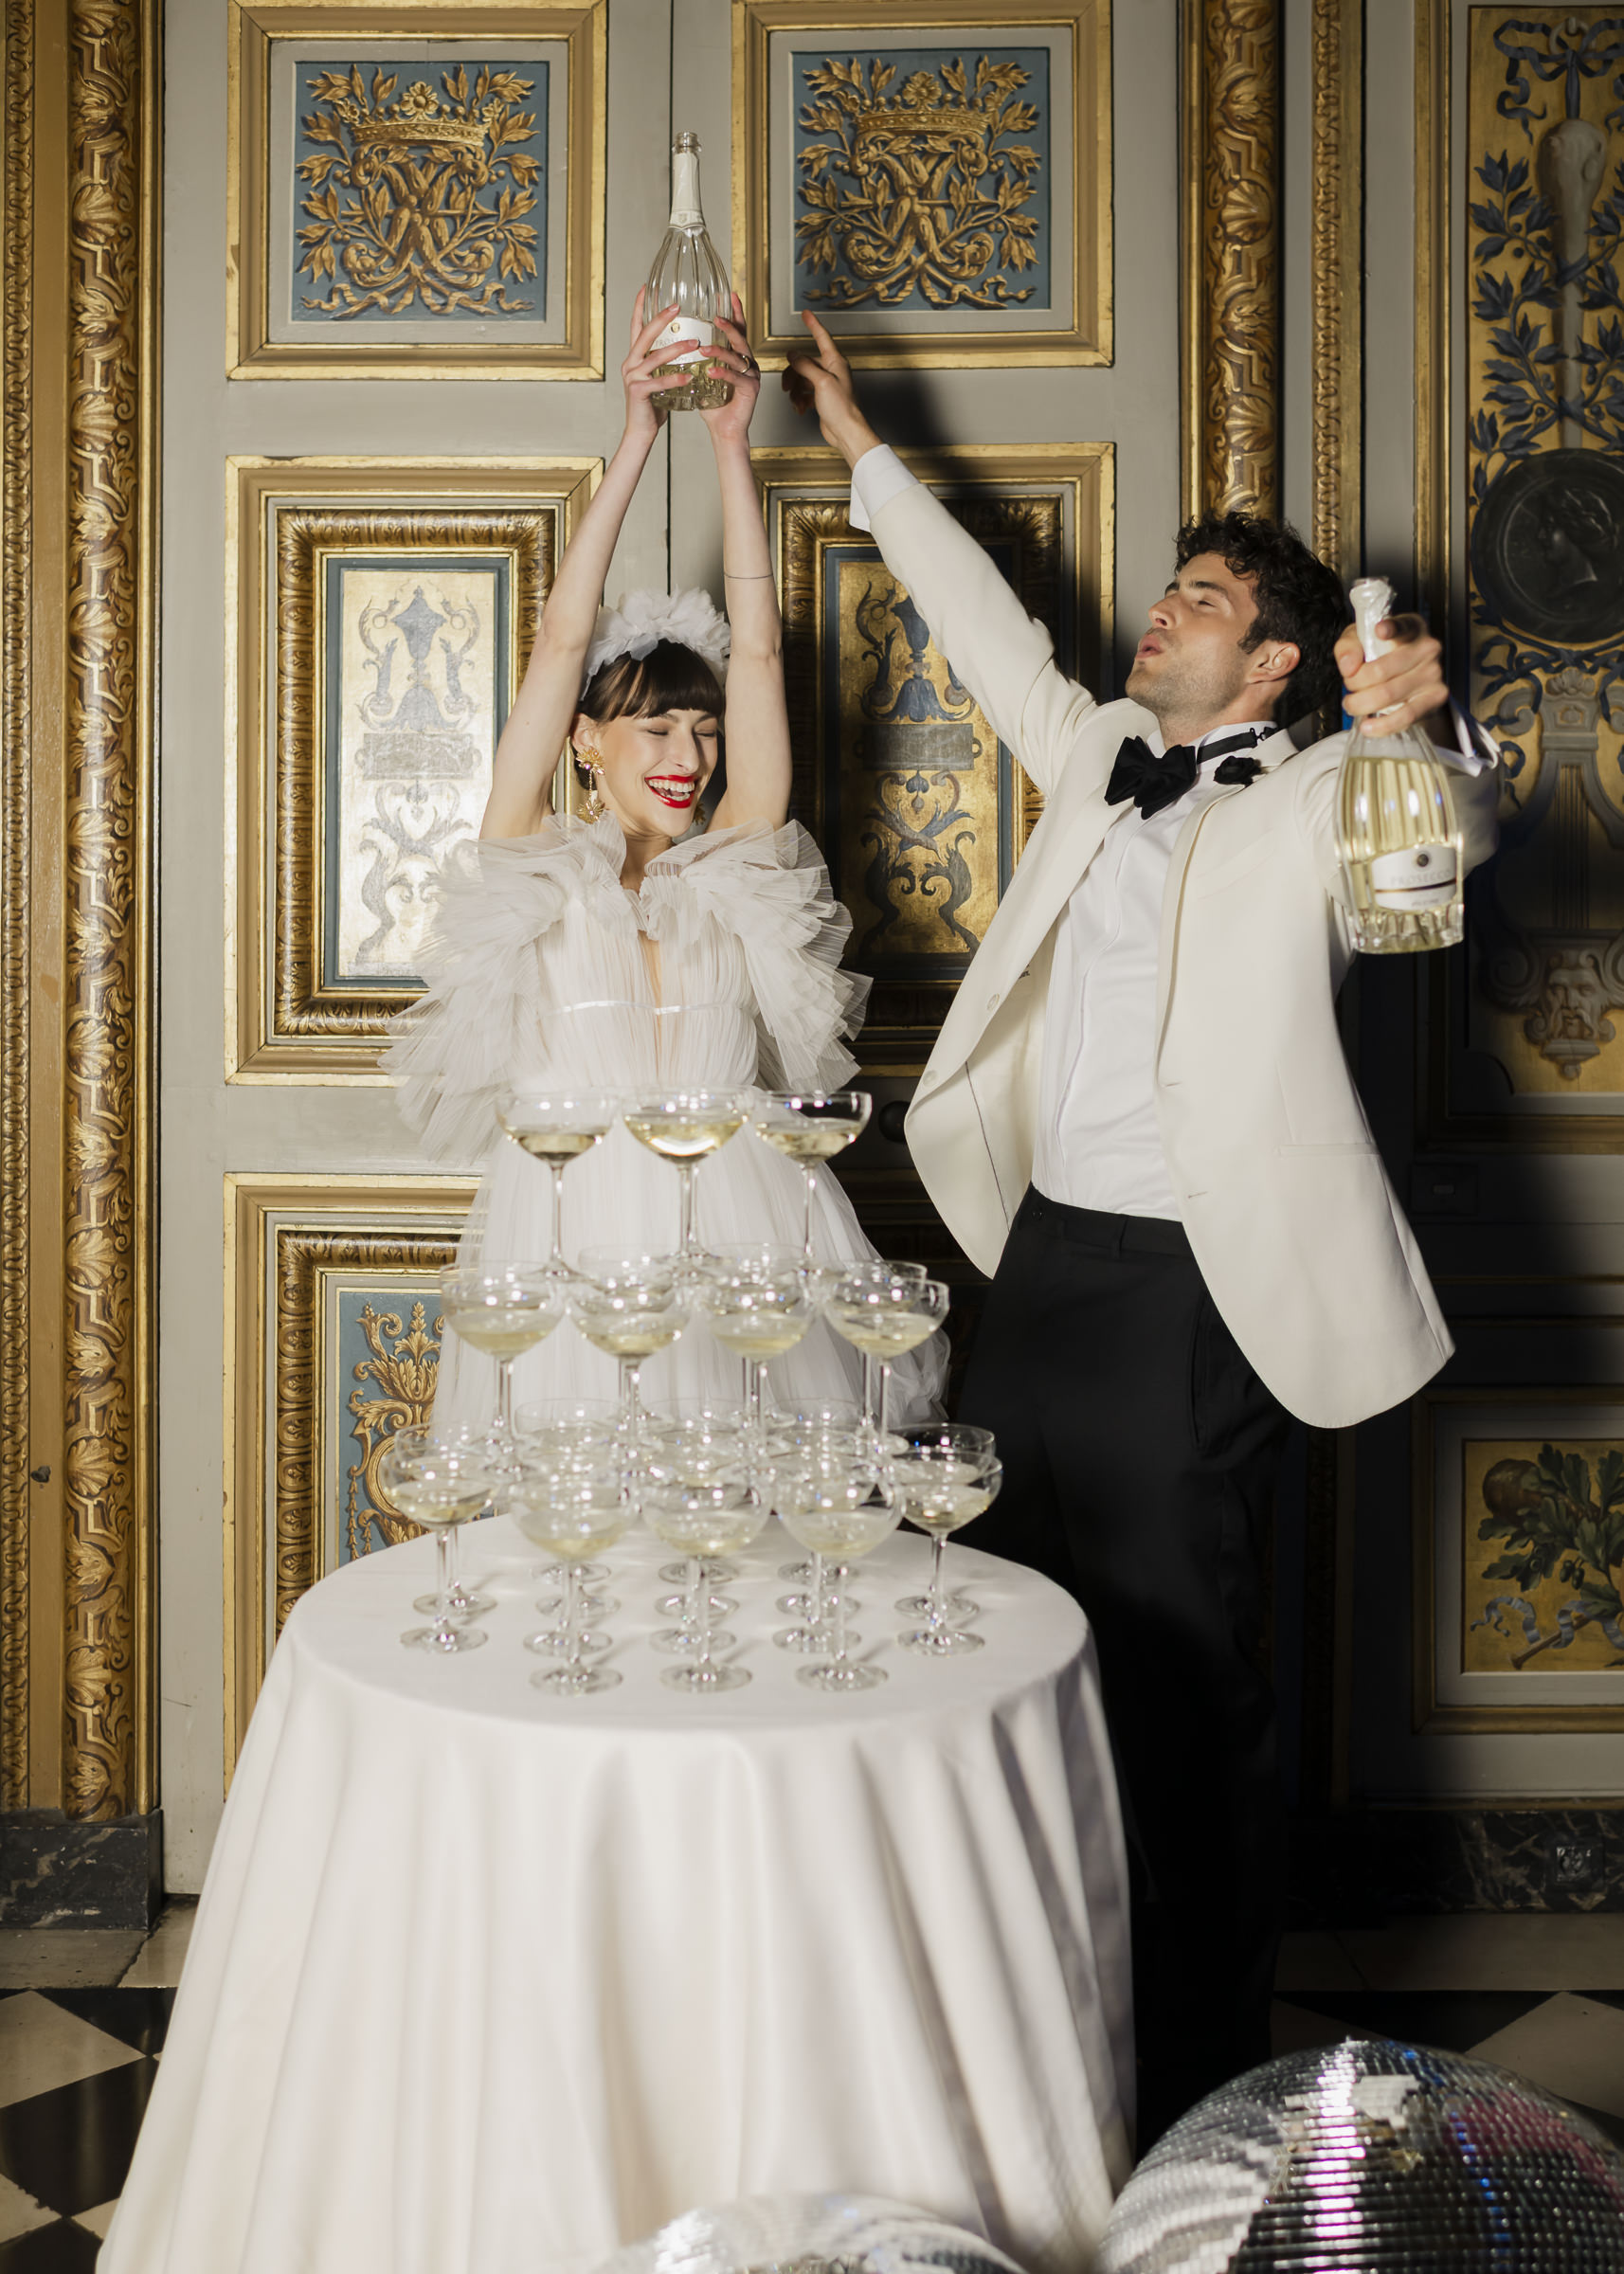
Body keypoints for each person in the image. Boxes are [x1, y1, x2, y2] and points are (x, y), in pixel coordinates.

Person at [783, 311, 1500, 2148]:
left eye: (1194, 600)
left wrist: (1425, 731)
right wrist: (860, 445)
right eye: (1169, 590)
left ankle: (1197, 2089)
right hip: (1039, 1273)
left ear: (1268, 666)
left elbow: (1433, 881)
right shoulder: (1100, 749)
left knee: (1187, 1698)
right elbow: (976, 623)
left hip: (1199, 1295)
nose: (1156, 614)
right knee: (1008, 1642)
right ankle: (1024, 2040)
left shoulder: (1339, 784)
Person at [387, 294, 940, 1426]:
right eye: (654, 730)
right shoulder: (533, 865)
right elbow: (557, 637)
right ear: (586, 743)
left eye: (702, 731)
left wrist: (732, 443)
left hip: (749, 1236)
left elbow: (758, 644)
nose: (687, 755)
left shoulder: (735, 861)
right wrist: (638, 434)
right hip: (572, 1242)